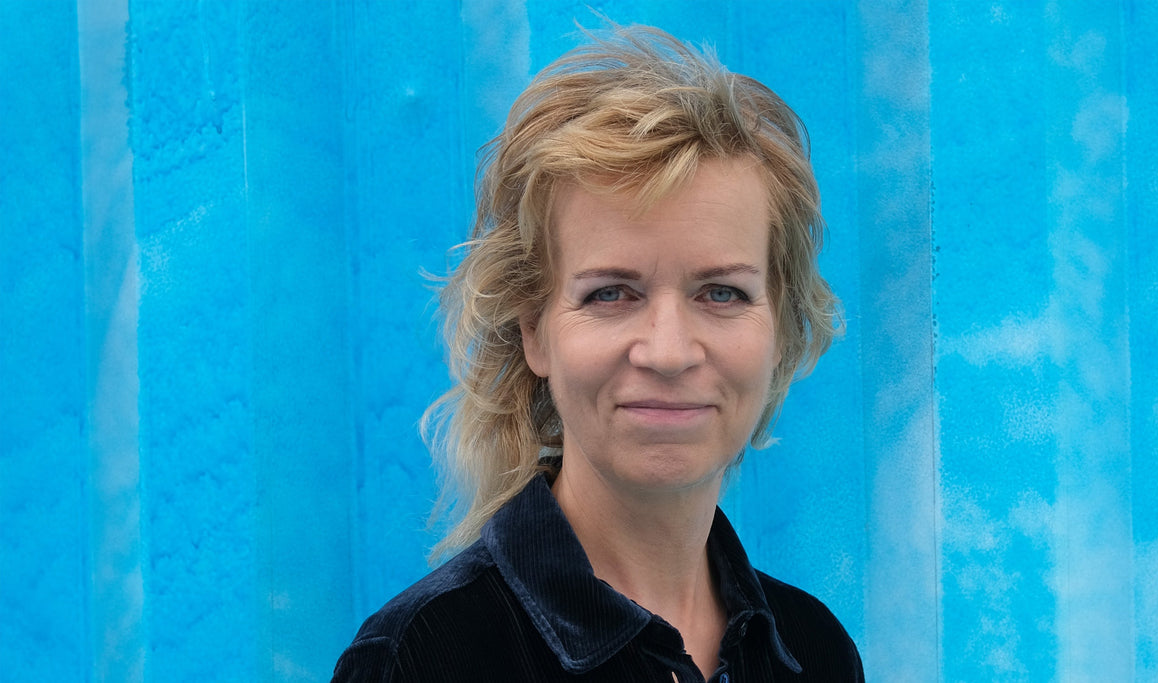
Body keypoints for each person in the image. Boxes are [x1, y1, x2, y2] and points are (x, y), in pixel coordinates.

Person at [333, 24, 862, 683]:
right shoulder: (419, 660)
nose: (668, 352)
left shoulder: (816, 650)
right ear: (534, 329)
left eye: (721, 292)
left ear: (780, 327)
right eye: (611, 293)